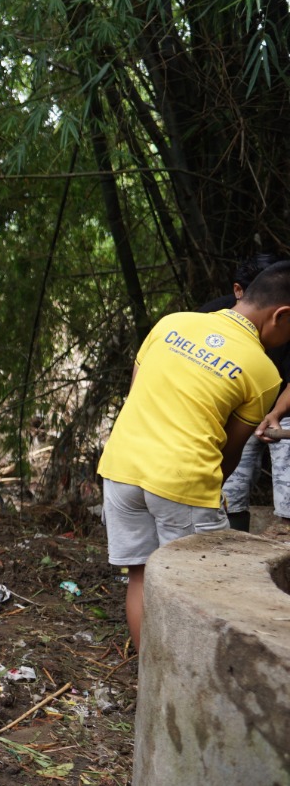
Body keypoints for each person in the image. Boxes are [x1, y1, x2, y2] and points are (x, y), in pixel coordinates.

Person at [98, 261, 290, 649]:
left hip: (120, 468)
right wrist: (207, 494)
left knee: (141, 576)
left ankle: (149, 685)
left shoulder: (171, 323)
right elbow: (229, 451)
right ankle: (187, 693)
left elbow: (138, 396)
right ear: (281, 315)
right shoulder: (262, 370)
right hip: (182, 480)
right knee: (202, 587)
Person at [196, 252, 290, 531]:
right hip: (236, 409)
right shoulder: (210, 317)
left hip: (281, 411)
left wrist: (274, 413)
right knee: (229, 490)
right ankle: (234, 541)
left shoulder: (284, 311)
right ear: (240, 291)